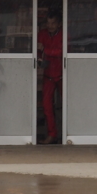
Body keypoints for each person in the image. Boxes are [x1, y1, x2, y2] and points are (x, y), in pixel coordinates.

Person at [37, 9, 62, 144]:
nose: (50, 26)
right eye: (48, 23)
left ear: (59, 24)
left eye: (53, 23)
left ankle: (69, 134)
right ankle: (52, 134)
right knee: (47, 106)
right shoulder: (42, 34)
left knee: (69, 105)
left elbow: (62, 51)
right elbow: (37, 51)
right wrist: (40, 58)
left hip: (63, 74)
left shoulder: (64, 34)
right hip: (48, 74)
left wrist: (45, 50)